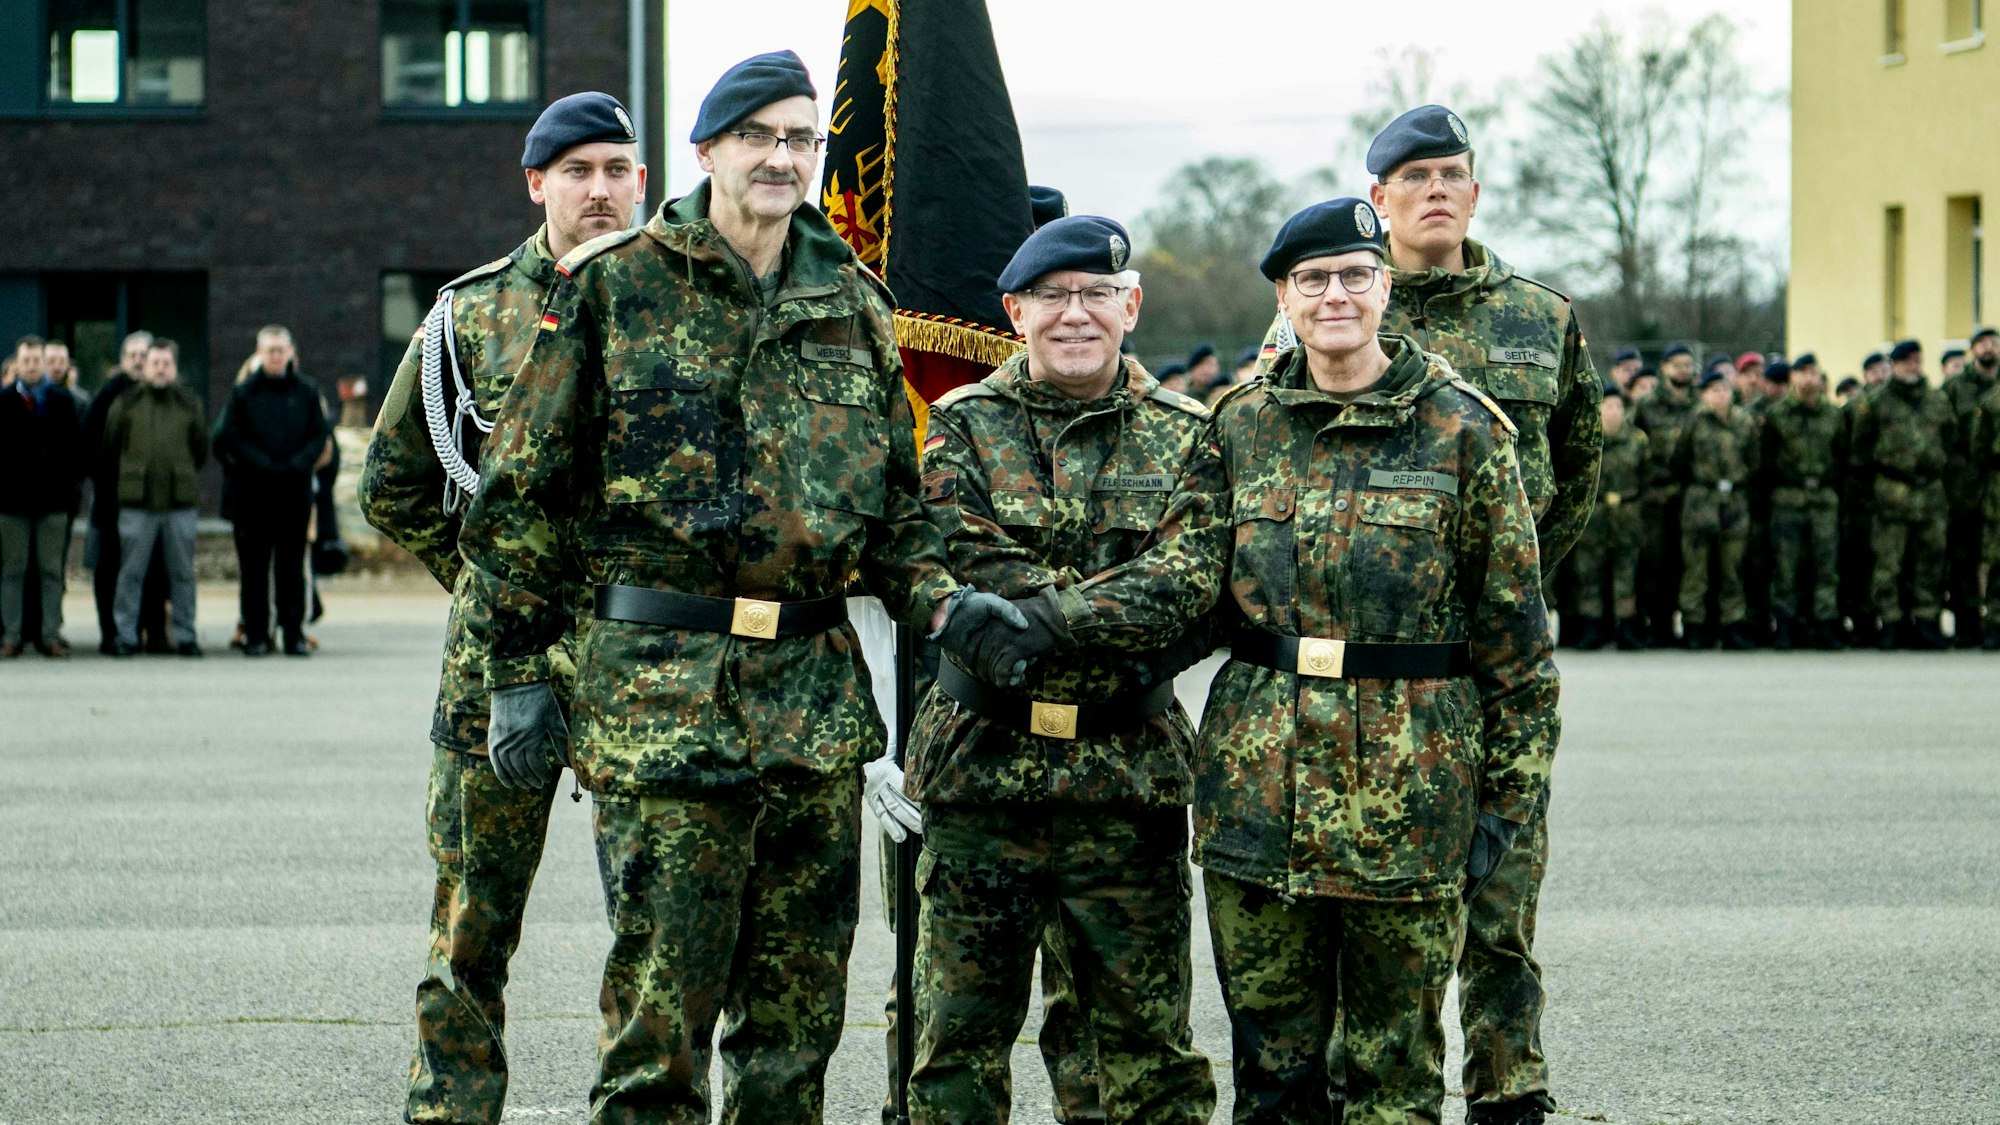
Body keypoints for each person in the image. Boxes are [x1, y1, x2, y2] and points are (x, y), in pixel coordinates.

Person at [455, 51, 1012, 1121]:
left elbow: (892, 513)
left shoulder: (852, 303)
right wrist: (518, 674)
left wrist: (945, 603)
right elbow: (520, 502)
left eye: (800, 138)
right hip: (664, 709)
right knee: (657, 1033)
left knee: (795, 1033)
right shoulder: (613, 286)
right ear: (706, 150)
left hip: (808, 710)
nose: (780, 156)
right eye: (756, 135)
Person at [963, 197, 1558, 1123]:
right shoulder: (1237, 426)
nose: (1335, 297)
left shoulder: (1465, 430)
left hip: (1413, 798)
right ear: (1285, 295)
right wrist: (1061, 663)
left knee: (1393, 1076)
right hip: (1258, 799)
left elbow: (1519, 653)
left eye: (1354, 276)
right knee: (1273, 1080)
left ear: (1384, 286)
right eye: (1313, 280)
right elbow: (1194, 589)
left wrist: (1506, 812)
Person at [360, 90, 645, 1125]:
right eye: (577, 171)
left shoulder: (685, 308)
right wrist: (489, 584)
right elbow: (391, 481)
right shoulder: (469, 313)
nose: (600, 189)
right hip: (496, 674)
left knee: (655, 930)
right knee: (470, 926)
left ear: (643, 182)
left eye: (617, 169)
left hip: (642, 660)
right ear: (536, 184)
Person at [898, 215, 1218, 1124]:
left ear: (1132, 306)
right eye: (1050, 296)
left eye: (1094, 294)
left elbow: (1188, 577)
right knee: (955, 1051)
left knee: (1147, 1057)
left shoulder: (1190, 435)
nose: (1073, 314)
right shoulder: (960, 424)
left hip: (1127, 780)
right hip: (979, 774)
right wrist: (1099, 610)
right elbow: (956, 549)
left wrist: (1043, 619)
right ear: (1014, 310)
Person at [210, 326, 330, 657]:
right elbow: (230, 438)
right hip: (254, 495)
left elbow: (319, 435)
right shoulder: (243, 394)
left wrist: (297, 464)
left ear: (291, 353)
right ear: (259, 353)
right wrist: (264, 464)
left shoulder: (306, 391)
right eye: (270, 350)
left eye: (281, 350)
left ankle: (292, 634)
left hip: (295, 493)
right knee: (254, 569)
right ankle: (256, 634)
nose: (276, 356)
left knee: (291, 568)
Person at [102, 339, 206, 657]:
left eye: (166, 363)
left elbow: (200, 449)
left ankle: (186, 636)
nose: (160, 369)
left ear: (174, 368)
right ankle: (126, 637)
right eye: (155, 363)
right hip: (138, 504)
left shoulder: (189, 404)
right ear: (145, 367)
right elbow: (111, 446)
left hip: (179, 505)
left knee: (183, 575)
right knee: (131, 574)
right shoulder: (126, 403)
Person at [1851, 339, 1955, 649]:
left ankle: (1926, 620)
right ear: (1894, 365)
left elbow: (1950, 440)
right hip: (1892, 490)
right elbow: (1861, 449)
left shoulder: (1937, 400)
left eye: (1917, 361)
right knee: (1889, 562)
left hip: (1930, 491)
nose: (1914, 367)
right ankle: (1891, 622)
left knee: (1931, 559)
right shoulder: (1876, 401)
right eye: (1907, 361)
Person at [82, 331, 172, 653]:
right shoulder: (107, 398)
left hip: (153, 503)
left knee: (154, 572)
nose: (137, 359)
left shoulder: (167, 397)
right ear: (122, 361)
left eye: (142, 354)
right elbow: (90, 446)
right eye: (131, 354)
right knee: (109, 570)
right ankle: (112, 633)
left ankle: (153, 632)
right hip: (111, 503)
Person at [0, 336, 86, 658]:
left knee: (51, 571)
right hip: (12, 504)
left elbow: (75, 452)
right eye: (27, 361)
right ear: (18, 364)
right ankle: (12, 635)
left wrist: (65, 486)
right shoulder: (4, 402)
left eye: (37, 361)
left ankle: (50, 633)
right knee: (12, 571)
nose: (33, 367)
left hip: (52, 502)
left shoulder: (62, 401)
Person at [1672, 367, 1762, 649]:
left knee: (1732, 568)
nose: (1721, 396)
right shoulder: (1694, 422)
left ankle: (1732, 624)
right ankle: (1695, 625)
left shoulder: (1744, 422)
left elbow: (1754, 460)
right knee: (1695, 570)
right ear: (1704, 395)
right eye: (1714, 391)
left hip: (1733, 501)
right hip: (1701, 499)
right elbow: (1679, 460)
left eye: (1725, 390)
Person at [1761, 354, 1846, 650]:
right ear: (1793, 378)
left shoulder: (1833, 415)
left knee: (1826, 566)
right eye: (1803, 373)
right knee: (1786, 565)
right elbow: (1766, 459)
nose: (1809, 379)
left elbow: (1841, 455)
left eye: (1814, 373)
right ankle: (1785, 625)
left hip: (1823, 497)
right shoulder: (1777, 415)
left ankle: (1825, 624)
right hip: (1788, 496)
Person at [1571, 383, 1646, 650]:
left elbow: (1647, 477)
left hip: (1627, 511)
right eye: (1607, 406)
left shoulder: (1637, 440)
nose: (1613, 412)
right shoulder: (1585, 438)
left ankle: (1625, 625)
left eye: (1617, 407)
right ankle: (1592, 626)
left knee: (1626, 571)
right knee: (1590, 570)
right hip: (1595, 511)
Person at [1634, 342, 1699, 646]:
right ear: (1664, 369)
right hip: (1657, 496)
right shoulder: (1648, 406)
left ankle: (1691, 622)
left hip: (1692, 494)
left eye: (1688, 365)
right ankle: (1659, 624)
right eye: (1677, 365)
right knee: (1657, 561)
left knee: (1689, 561)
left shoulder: (1700, 404)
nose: (1684, 370)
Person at [1941, 327, 1997, 646]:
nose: (1989, 348)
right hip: (1964, 483)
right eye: (1983, 343)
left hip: (1996, 480)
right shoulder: (1954, 389)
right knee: (1964, 555)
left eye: (1994, 343)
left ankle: (1995, 622)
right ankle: (1966, 623)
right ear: (1972, 350)